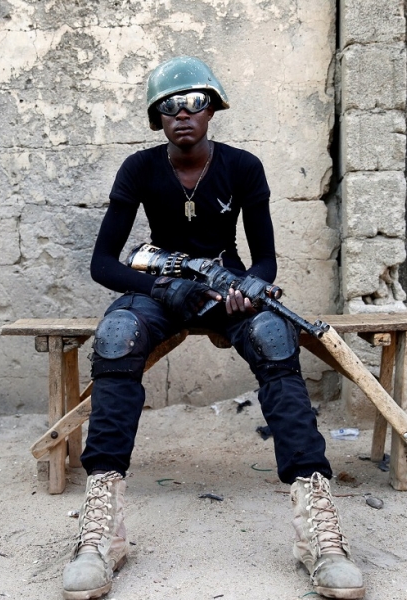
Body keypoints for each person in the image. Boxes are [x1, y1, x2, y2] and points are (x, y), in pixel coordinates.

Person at [62, 56, 365, 600]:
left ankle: (318, 532)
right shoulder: (139, 168)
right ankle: (102, 534)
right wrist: (162, 288)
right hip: (159, 291)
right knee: (116, 336)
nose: (183, 114)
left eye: (195, 102)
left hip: (224, 290)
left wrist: (249, 286)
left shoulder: (243, 167)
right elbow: (103, 263)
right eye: (169, 106)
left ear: (213, 110)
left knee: (275, 336)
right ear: (157, 118)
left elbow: (265, 259)